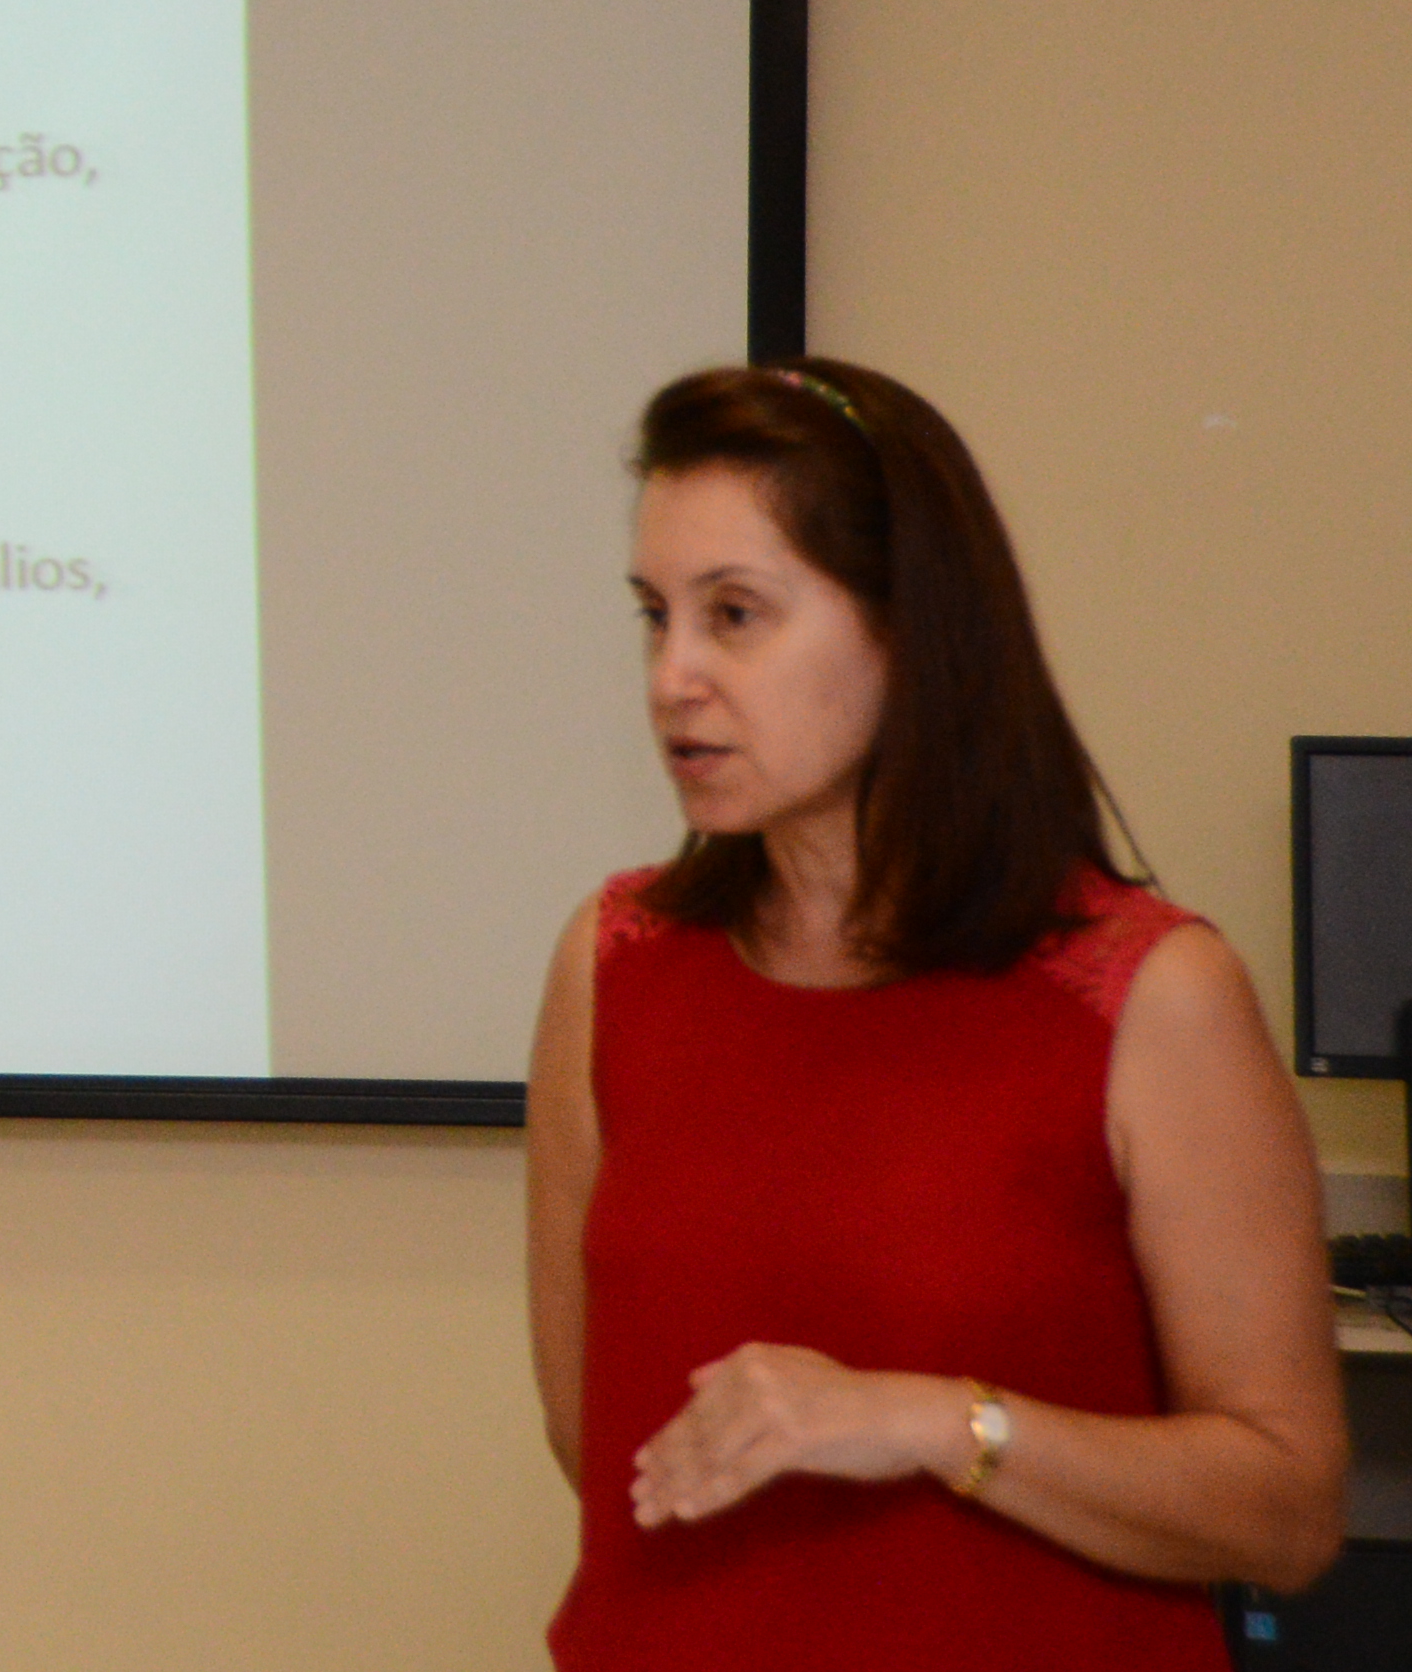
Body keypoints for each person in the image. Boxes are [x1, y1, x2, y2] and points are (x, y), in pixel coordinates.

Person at [531, 358, 1345, 1667]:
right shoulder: (613, 962)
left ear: (910, 628)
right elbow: (600, 1439)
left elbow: (1287, 1512)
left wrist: (929, 1424)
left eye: (735, 615)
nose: (673, 674)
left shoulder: (1151, 994)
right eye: (653, 615)